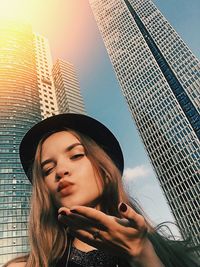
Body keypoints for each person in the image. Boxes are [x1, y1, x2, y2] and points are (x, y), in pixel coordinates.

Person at [4, 113, 199, 267]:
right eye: (48, 169)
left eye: (76, 155)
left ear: (105, 173)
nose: (60, 171)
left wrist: (142, 255)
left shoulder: (171, 253)